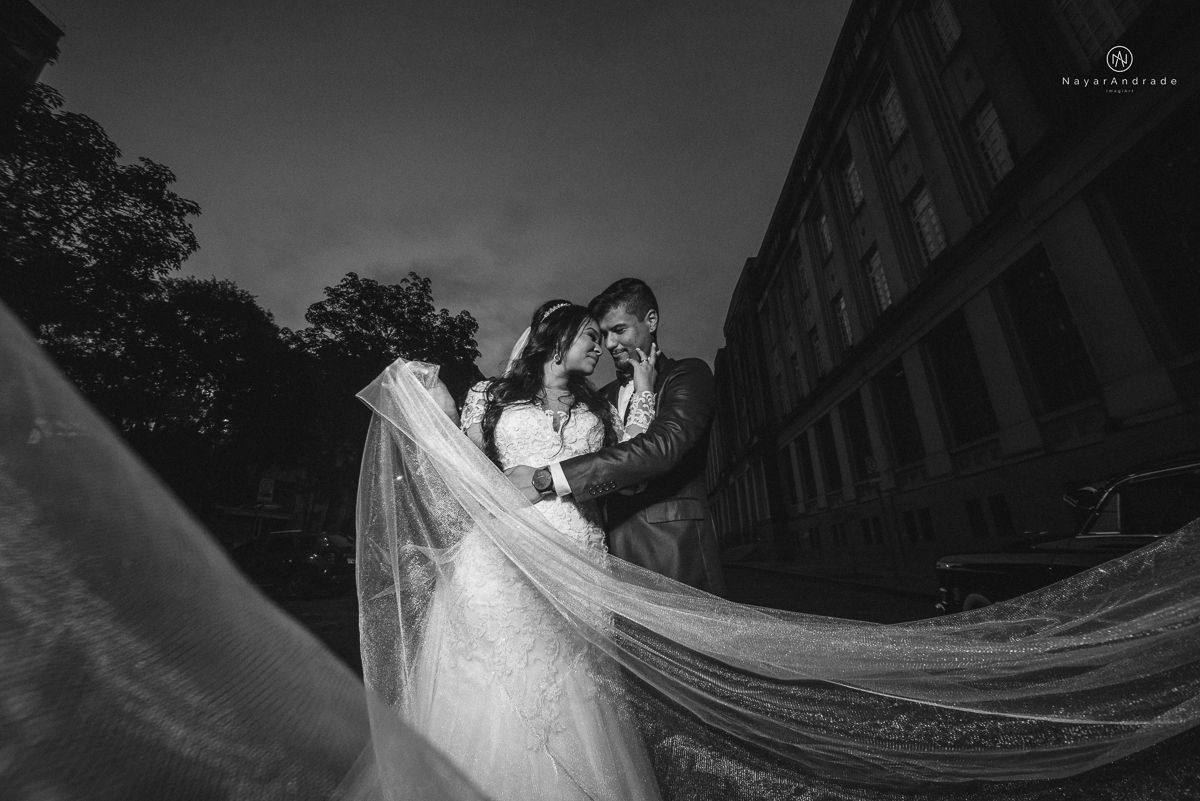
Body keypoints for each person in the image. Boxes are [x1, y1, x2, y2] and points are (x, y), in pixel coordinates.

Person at [400, 299, 663, 801]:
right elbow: (468, 468)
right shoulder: (491, 396)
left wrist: (645, 391)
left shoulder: (598, 410)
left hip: (577, 558)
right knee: (496, 678)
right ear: (557, 338)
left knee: (573, 686)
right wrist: (444, 414)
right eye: (590, 336)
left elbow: (631, 474)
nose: (600, 348)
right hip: (501, 557)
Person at [506, 278, 725, 595]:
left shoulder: (688, 375)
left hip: (671, 556)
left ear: (651, 321)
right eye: (603, 334)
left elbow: (659, 449)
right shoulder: (599, 400)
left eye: (619, 330)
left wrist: (551, 478)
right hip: (600, 560)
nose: (609, 344)